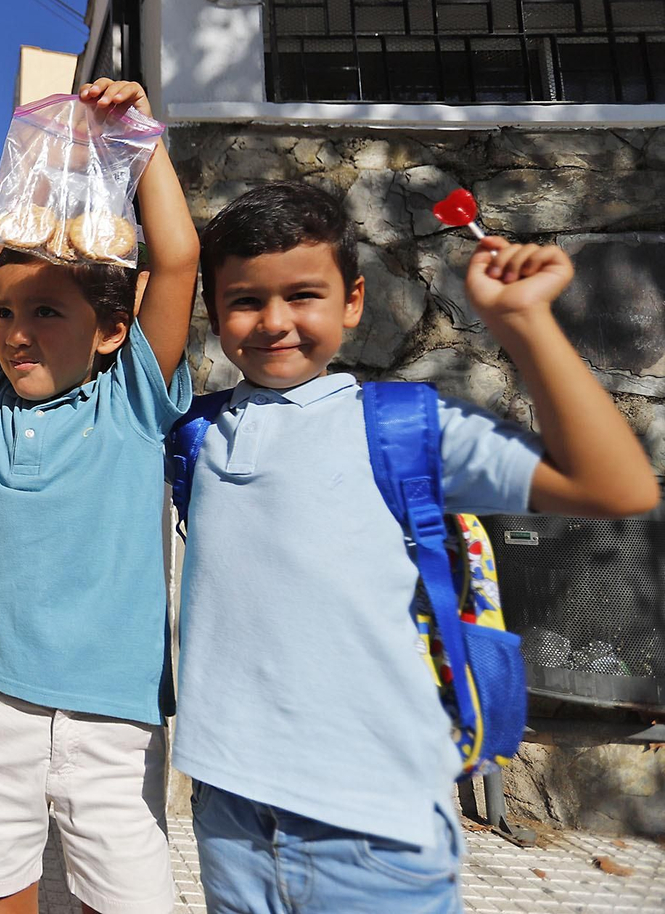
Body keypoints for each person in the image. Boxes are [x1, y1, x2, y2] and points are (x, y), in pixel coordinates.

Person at [177, 182, 659, 913]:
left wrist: (527, 324)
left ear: (354, 301)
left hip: (375, 823)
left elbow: (614, 485)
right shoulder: (196, 432)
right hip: (229, 815)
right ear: (214, 311)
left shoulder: (406, 424)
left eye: (303, 294)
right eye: (245, 300)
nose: (274, 321)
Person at [0, 78, 197, 914]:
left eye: (46, 311)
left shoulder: (132, 400)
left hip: (108, 721)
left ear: (114, 329)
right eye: (7, 314)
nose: (15, 331)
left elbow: (179, 256)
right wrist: (32, 186)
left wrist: (136, 137)